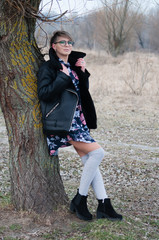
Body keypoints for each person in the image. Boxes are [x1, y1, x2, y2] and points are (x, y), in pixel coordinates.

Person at [37, 30, 123, 221]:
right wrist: (62, 77)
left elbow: (80, 93)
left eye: (70, 42)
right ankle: (80, 199)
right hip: (64, 123)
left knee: (90, 161)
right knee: (98, 153)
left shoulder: (72, 65)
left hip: (79, 121)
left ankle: (104, 204)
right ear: (54, 46)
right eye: (62, 42)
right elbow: (44, 94)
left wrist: (82, 73)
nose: (67, 45)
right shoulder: (49, 68)